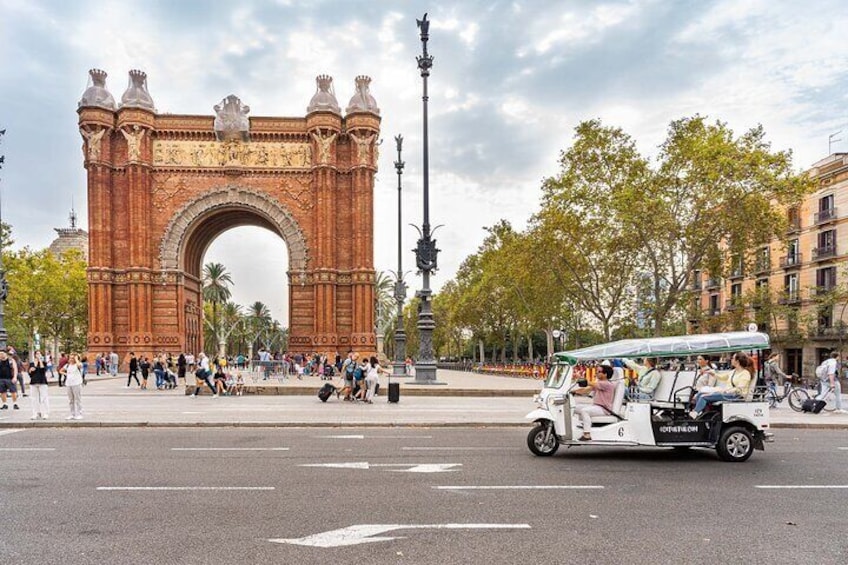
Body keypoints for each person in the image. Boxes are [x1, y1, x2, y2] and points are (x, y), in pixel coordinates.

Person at [690, 351, 754, 419]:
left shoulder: (745, 373)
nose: (731, 360)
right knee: (700, 394)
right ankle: (700, 411)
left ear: (737, 361)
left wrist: (726, 391)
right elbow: (722, 377)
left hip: (735, 396)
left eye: (733, 358)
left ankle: (696, 412)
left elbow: (740, 389)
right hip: (728, 393)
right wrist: (712, 373)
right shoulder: (734, 371)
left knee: (703, 397)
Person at [572, 364, 616, 441]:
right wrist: (572, 392)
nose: (596, 373)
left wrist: (579, 377)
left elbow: (589, 383)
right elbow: (585, 390)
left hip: (603, 409)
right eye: (596, 371)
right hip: (596, 407)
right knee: (573, 407)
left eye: (599, 372)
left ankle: (587, 434)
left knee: (585, 411)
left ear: (605, 374)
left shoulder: (606, 384)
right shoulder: (599, 383)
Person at [62, 353, 85, 420]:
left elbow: (80, 366)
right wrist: (66, 374)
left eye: (73, 358)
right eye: (70, 358)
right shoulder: (67, 365)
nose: (71, 359)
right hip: (69, 384)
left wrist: (76, 359)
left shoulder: (78, 364)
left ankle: (80, 414)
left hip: (76, 383)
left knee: (78, 399)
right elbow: (60, 370)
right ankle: (72, 414)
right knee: (71, 400)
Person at [28, 351, 49, 420]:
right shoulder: (31, 363)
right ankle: (35, 413)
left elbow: (43, 370)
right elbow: (30, 374)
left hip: (42, 382)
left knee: (44, 398)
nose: (38, 355)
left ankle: (45, 413)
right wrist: (30, 370)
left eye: (39, 354)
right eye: (37, 354)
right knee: (34, 399)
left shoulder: (44, 363)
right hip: (34, 382)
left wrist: (40, 361)